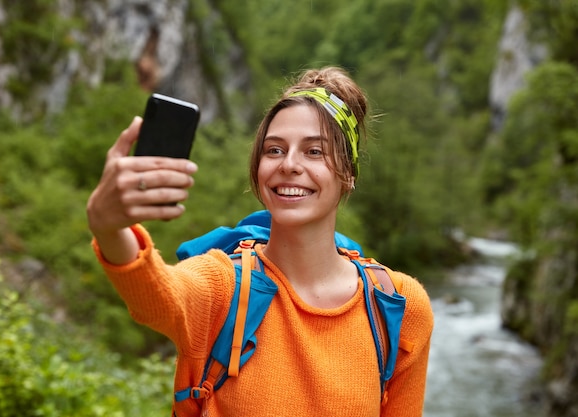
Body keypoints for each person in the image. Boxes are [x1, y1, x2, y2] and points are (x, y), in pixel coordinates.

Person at [87, 66, 433, 416]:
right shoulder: (224, 286)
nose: (289, 165)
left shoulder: (396, 307)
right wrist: (108, 226)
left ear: (348, 174)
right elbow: (156, 293)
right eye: (274, 150)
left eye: (314, 151)